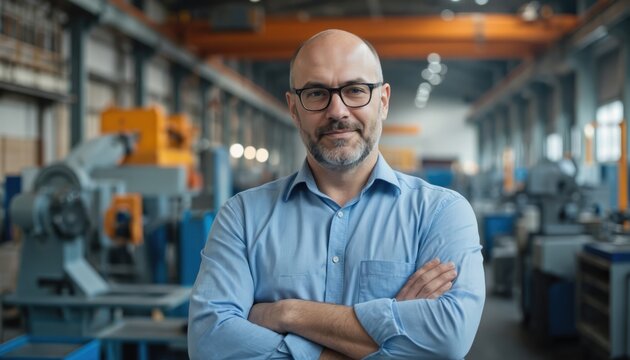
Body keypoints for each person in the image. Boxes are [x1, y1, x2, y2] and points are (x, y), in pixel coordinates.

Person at [188, 29, 485, 359]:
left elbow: (447, 341)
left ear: (383, 101)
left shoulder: (440, 213)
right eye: (316, 93)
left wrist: (287, 314)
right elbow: (209, 343)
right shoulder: (243, 217)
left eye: (355, 90)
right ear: (293, 108)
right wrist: (383, 333)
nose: (337, 111)